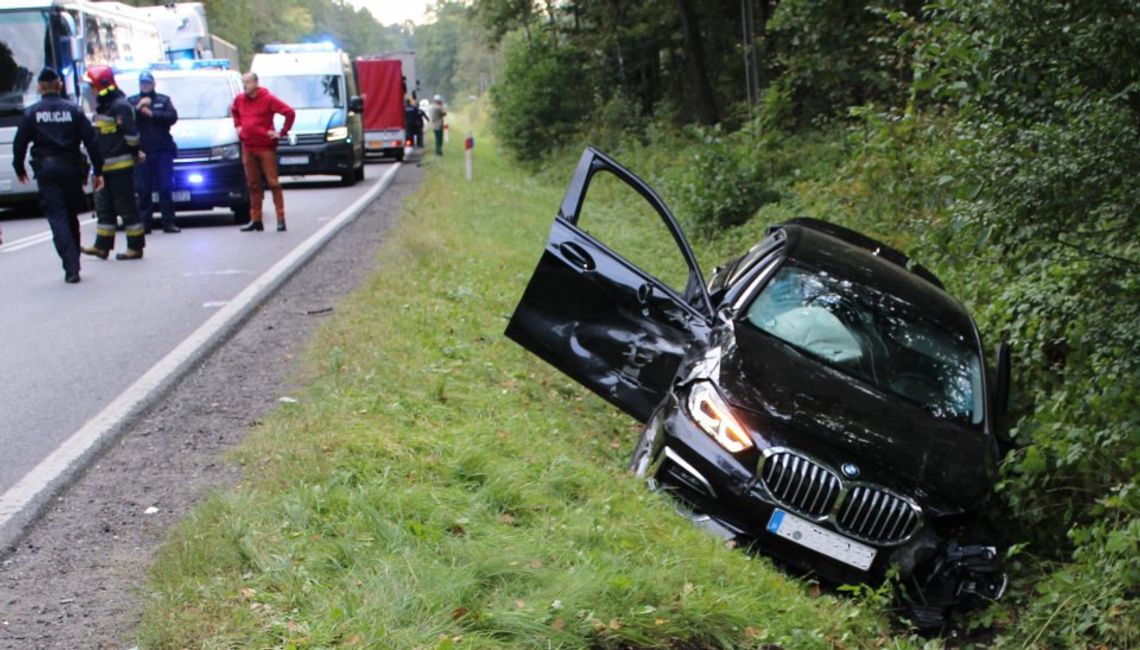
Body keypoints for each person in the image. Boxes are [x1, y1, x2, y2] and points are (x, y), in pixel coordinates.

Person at [12, 67, 104, 283]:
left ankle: (70, 265)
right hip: (72, 170)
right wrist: (98, 170)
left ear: (40, 87)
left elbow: (20, 144)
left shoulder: (32, 112)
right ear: (60, 85)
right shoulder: (73, 110)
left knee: (58, 217)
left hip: (47, 171)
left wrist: (19, 169)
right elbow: (91, 141)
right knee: (71, 216)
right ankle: (75, 262)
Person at [81, 65, 146, 261]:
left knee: (126, 207)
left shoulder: (120, 106)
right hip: (104, 167)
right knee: (104, 209)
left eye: (93, 86)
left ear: (103, 85)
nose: (91, 90)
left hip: (120, 167)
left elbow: (132, 136)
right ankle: (102, 246)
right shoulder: (105, 105)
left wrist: (134, 153)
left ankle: (135, 247)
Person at [231, 72, 294, 232]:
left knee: (273, 182)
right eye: (243, 82)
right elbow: (235, 112)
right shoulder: (239, 100)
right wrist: (238, 126)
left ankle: (281, 218)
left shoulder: (268, 99)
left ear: (256, 83)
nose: (245, 85)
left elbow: (289, 112)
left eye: (248, 82)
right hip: (248, 146)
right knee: (253, 184)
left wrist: (281, 132)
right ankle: (256, 219)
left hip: (265, 146)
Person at [129, 70, 180, 234]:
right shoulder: (132, 101)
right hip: (142, 153)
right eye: (142, 83)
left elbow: (172, 117)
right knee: (143, 190)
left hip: (162, 151)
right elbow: (126, 120)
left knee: (165, 188)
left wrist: (152, 114)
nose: (145, 86)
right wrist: (138, 108)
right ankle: (145, 224)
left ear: (153, 84)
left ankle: (169, 222)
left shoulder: (163, 100)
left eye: (148, 83)